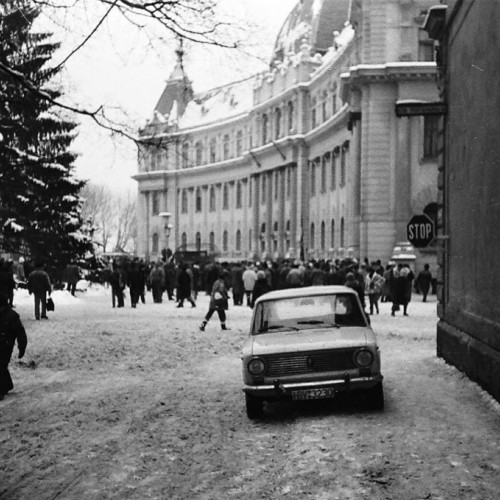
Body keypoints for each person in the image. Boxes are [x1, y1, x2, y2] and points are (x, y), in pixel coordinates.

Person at [0, 295, 28, 400]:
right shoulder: (11, 315)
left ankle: (1, 390)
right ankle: (7, 385)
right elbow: (21, 333)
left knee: (1, 365)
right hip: (5, 344)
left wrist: (22, 347)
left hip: (6, 345)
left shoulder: (11, 316)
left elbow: (20, 333)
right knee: (2, 366)